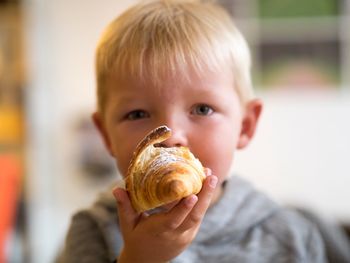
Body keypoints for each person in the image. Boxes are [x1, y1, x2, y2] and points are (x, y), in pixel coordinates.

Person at [58, 0, 350, 262]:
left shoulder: (290, 237)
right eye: (137, 114)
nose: (171, 136)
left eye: (202, 109)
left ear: (245, 125)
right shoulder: (93, 231)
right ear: (106, 135)